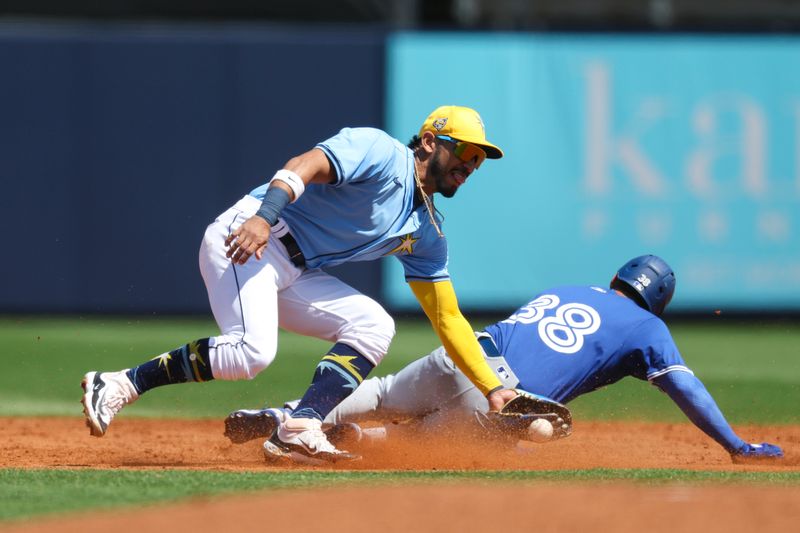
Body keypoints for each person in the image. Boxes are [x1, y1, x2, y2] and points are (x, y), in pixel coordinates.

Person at [81, 105, 519, 462]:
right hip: (250, 236)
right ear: (429, 142)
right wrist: (263, 217)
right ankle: (121, 382)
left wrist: (493, 387)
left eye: (479, 159)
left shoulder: (425, 230)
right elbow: (303, 165)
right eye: (465, 151)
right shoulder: (382, 152)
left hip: (295, 268)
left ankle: (300, 425)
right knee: (251, 354)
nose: (472, 164)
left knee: (374, 325)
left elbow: (447, 317)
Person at [226, 255, 784, 464]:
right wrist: (736, 446)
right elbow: (686, 388)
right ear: (658, 301)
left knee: (379, 393)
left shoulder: (572, 285)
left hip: (464, 358)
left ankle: (287, 416)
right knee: (445, 443)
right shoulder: (650, 328)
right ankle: (358, 444)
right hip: (501, 399)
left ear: (615, 278)